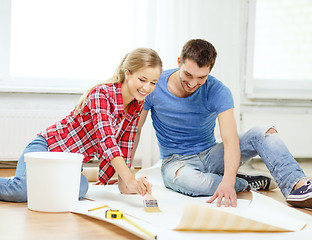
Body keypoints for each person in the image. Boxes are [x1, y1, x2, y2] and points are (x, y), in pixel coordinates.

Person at [134, 39, 312, 209]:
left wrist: (227, 182)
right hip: (177, 162)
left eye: (201, 77)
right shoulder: (154, 85)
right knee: (190, 183)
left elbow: (230, 139)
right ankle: (243, 182)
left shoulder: (218, 91)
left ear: (210, 70)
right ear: (179, 62)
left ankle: (298, 187)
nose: (192, 83)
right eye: (188, 74)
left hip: (211, 155)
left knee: (264, 132)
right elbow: (135, 129)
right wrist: (126, 172)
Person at [0, 47, 163, 202]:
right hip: (46, 149)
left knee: (80, 188)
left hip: (68, 165)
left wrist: (129, 185)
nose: (147, 87)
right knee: (20, 191)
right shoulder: (101, 94)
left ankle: (34, 182)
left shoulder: (137, 106)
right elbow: (108, 142)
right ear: (127, 73)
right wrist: (130, 179)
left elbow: (125, 145)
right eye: (142, 79)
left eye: (153, 83)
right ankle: (25, 181)